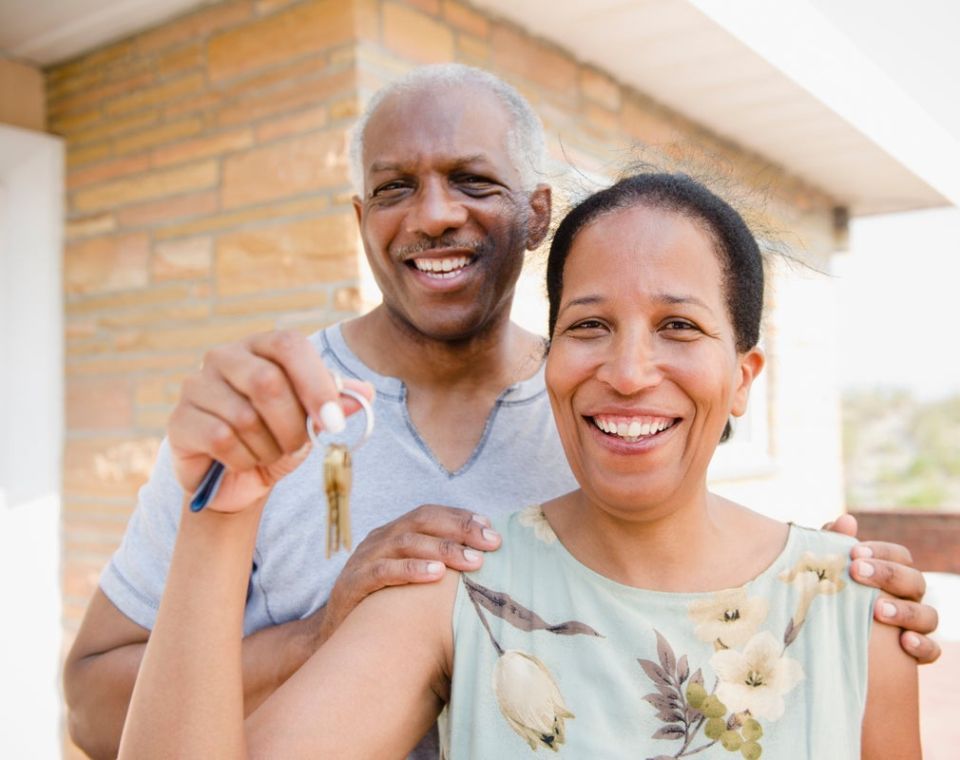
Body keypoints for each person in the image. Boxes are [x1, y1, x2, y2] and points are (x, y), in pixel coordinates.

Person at [64, 65, 936, 759]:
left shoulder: (835, 607)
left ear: (534, 216)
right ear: (362, 220)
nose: (629, 374)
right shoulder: (292, 444)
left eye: (472, 180)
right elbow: (98, 703)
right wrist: (303, 611)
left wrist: (824, 583)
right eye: (397, 188)